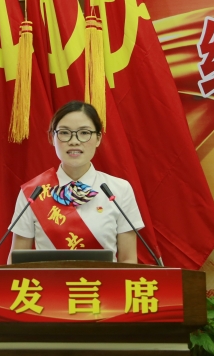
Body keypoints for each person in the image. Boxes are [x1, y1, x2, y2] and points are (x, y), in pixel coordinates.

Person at [8, 100, 143, 263]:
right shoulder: (34, 192)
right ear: (52, 137)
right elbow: (16, 265)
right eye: (65, 133)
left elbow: (128, 261)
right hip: (48, 281)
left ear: (98, 138)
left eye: (84, 132)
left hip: (103, 281)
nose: (74, 141)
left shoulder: (119, 190)